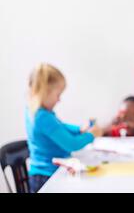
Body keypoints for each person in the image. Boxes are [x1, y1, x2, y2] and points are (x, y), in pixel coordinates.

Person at [25, 63, 103, 192]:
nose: (59, 100)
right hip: (47, 176)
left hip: (45, 173)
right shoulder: (43, 117)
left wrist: (78, 130)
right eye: (58, 95)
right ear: (45, 92)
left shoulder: (35, 111)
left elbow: (59, 127)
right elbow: (71, 144)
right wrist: (91, 135)